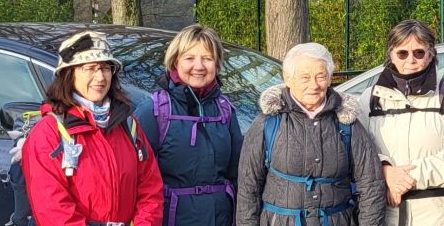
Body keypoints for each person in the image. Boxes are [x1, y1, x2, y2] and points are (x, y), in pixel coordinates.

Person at [22, 31, 165, 225]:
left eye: (106, 68)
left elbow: (150, 189)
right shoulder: (48, 133)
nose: (100, 77)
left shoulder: (129, 125)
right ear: (69, 74)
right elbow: (53, 210)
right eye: (90, 68)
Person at [238, 43, 386, 226]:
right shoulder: (268, 123)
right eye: (305, 78)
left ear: (330, 78)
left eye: (320, 76)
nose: (313, 85)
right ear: (288, 79)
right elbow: (248, 187)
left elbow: (371, 184)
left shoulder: (348, 124)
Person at [358, 20, 444, 226]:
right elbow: (360, 151)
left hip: (439, 214)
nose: (411, 59)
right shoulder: (370, 98)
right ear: (391, 54)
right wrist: (385, 171)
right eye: (402, 53)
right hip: (387, 212)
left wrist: (407, 179)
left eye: (419, 52)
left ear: (431, 54)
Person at [134, 24, 242, 226]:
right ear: (175, 61)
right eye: (190, 58)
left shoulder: (225, 110)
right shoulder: (153, 110)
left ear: (217, 64)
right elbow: (136, 179)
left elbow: (237, 173)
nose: (199, 66)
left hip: (220, 218)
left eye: (207, 58)